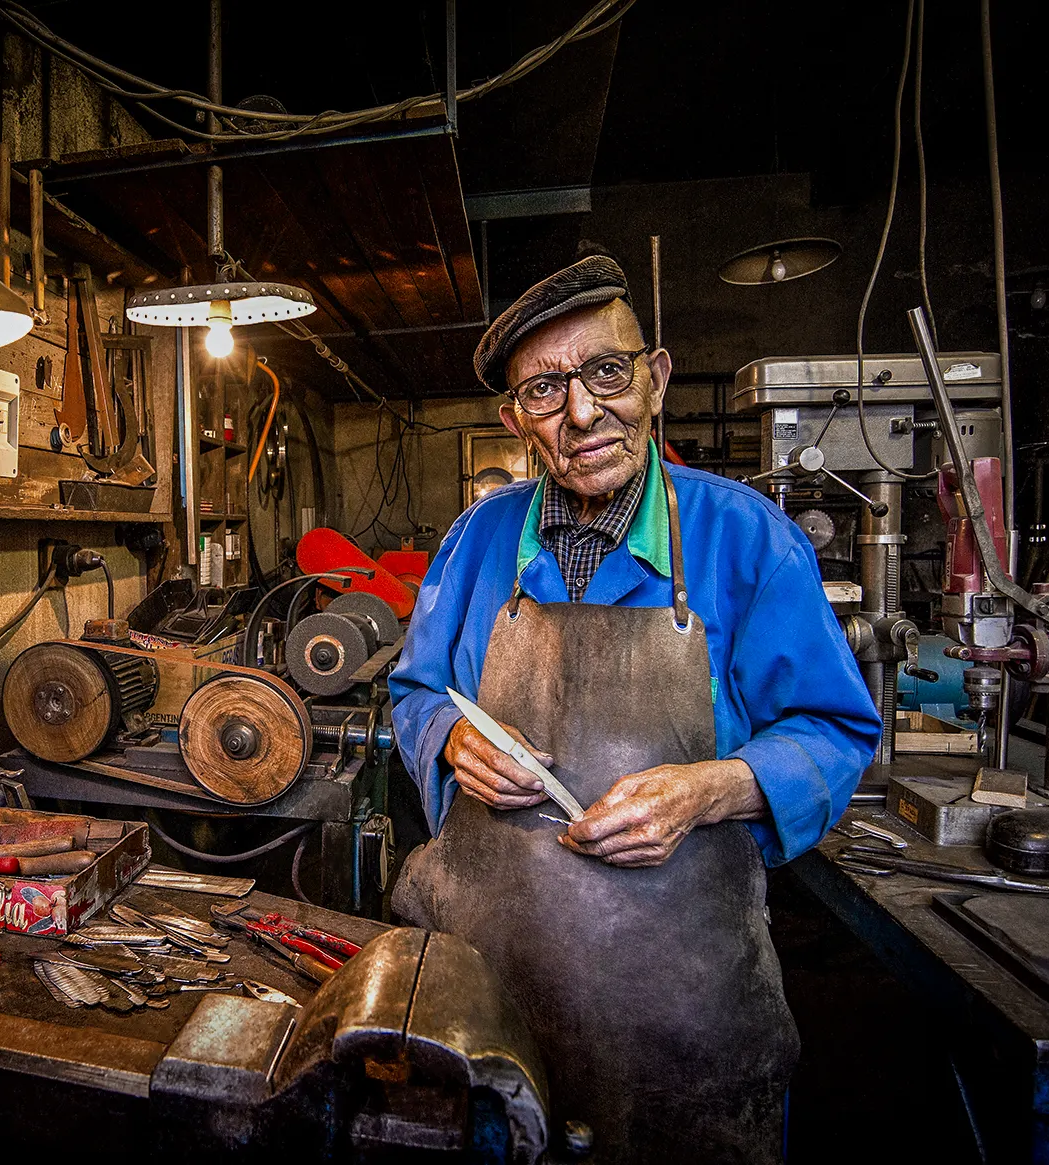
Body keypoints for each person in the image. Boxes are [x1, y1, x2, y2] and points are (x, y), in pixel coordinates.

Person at [386, 253, 881, 1163]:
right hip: (488, 999)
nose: (581, 413)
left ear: (655, 379)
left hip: (683, 1022)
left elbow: (835, 730)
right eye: (545, 390)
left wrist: (707, 790)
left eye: (606, 372)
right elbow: (413, 690)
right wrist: (451, 737)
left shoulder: (747, 540)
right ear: (514, 419)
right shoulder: (475, 540)